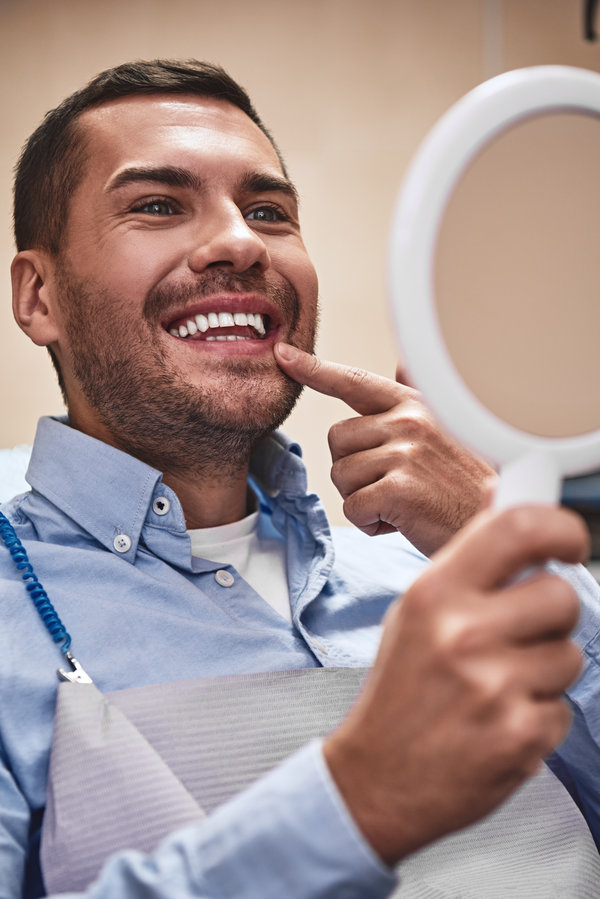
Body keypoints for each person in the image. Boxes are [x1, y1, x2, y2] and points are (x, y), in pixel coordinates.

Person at [1, 58, 599, 898]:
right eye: (159, 205)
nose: (242, 242)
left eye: (268, 211)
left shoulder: (446, 568)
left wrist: (505, 541)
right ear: (39, 295)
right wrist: (353, 803)